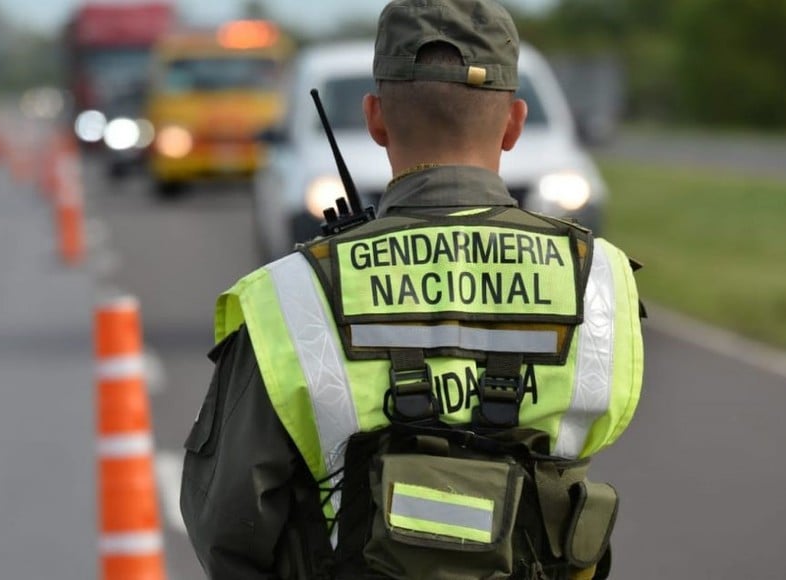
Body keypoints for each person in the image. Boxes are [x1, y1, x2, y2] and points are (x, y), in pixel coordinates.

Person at [180, 1, 644, 578]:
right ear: (514, 123)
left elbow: (228, 526)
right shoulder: (600, 279)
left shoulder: (291, 293)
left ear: (376, 119)